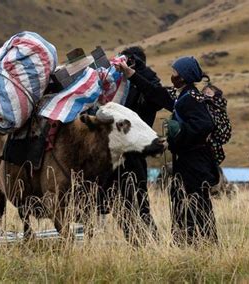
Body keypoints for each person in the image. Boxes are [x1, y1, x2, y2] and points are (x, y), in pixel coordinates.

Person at [115, 56, 220, 246]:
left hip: (196, 161)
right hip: (186, 159)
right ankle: (184, 243)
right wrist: (130, 74)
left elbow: (206, 125)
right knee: (180, 199)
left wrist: (180, 132)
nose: (172, 76)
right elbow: (156, 93)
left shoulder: (192, 99)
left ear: (183, 77)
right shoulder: (182, 95)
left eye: (175, 72)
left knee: (198, 203)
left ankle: (208, 245)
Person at [102, 46, 165, 246]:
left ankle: (150, 243)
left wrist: (138, 71)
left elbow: (158, 99)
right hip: (113, 154)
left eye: (130, 60)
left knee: (139, 202)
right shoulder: (117, 84)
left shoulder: (146, 85)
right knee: (117, 203)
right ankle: (135, 244)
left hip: (134, 153)